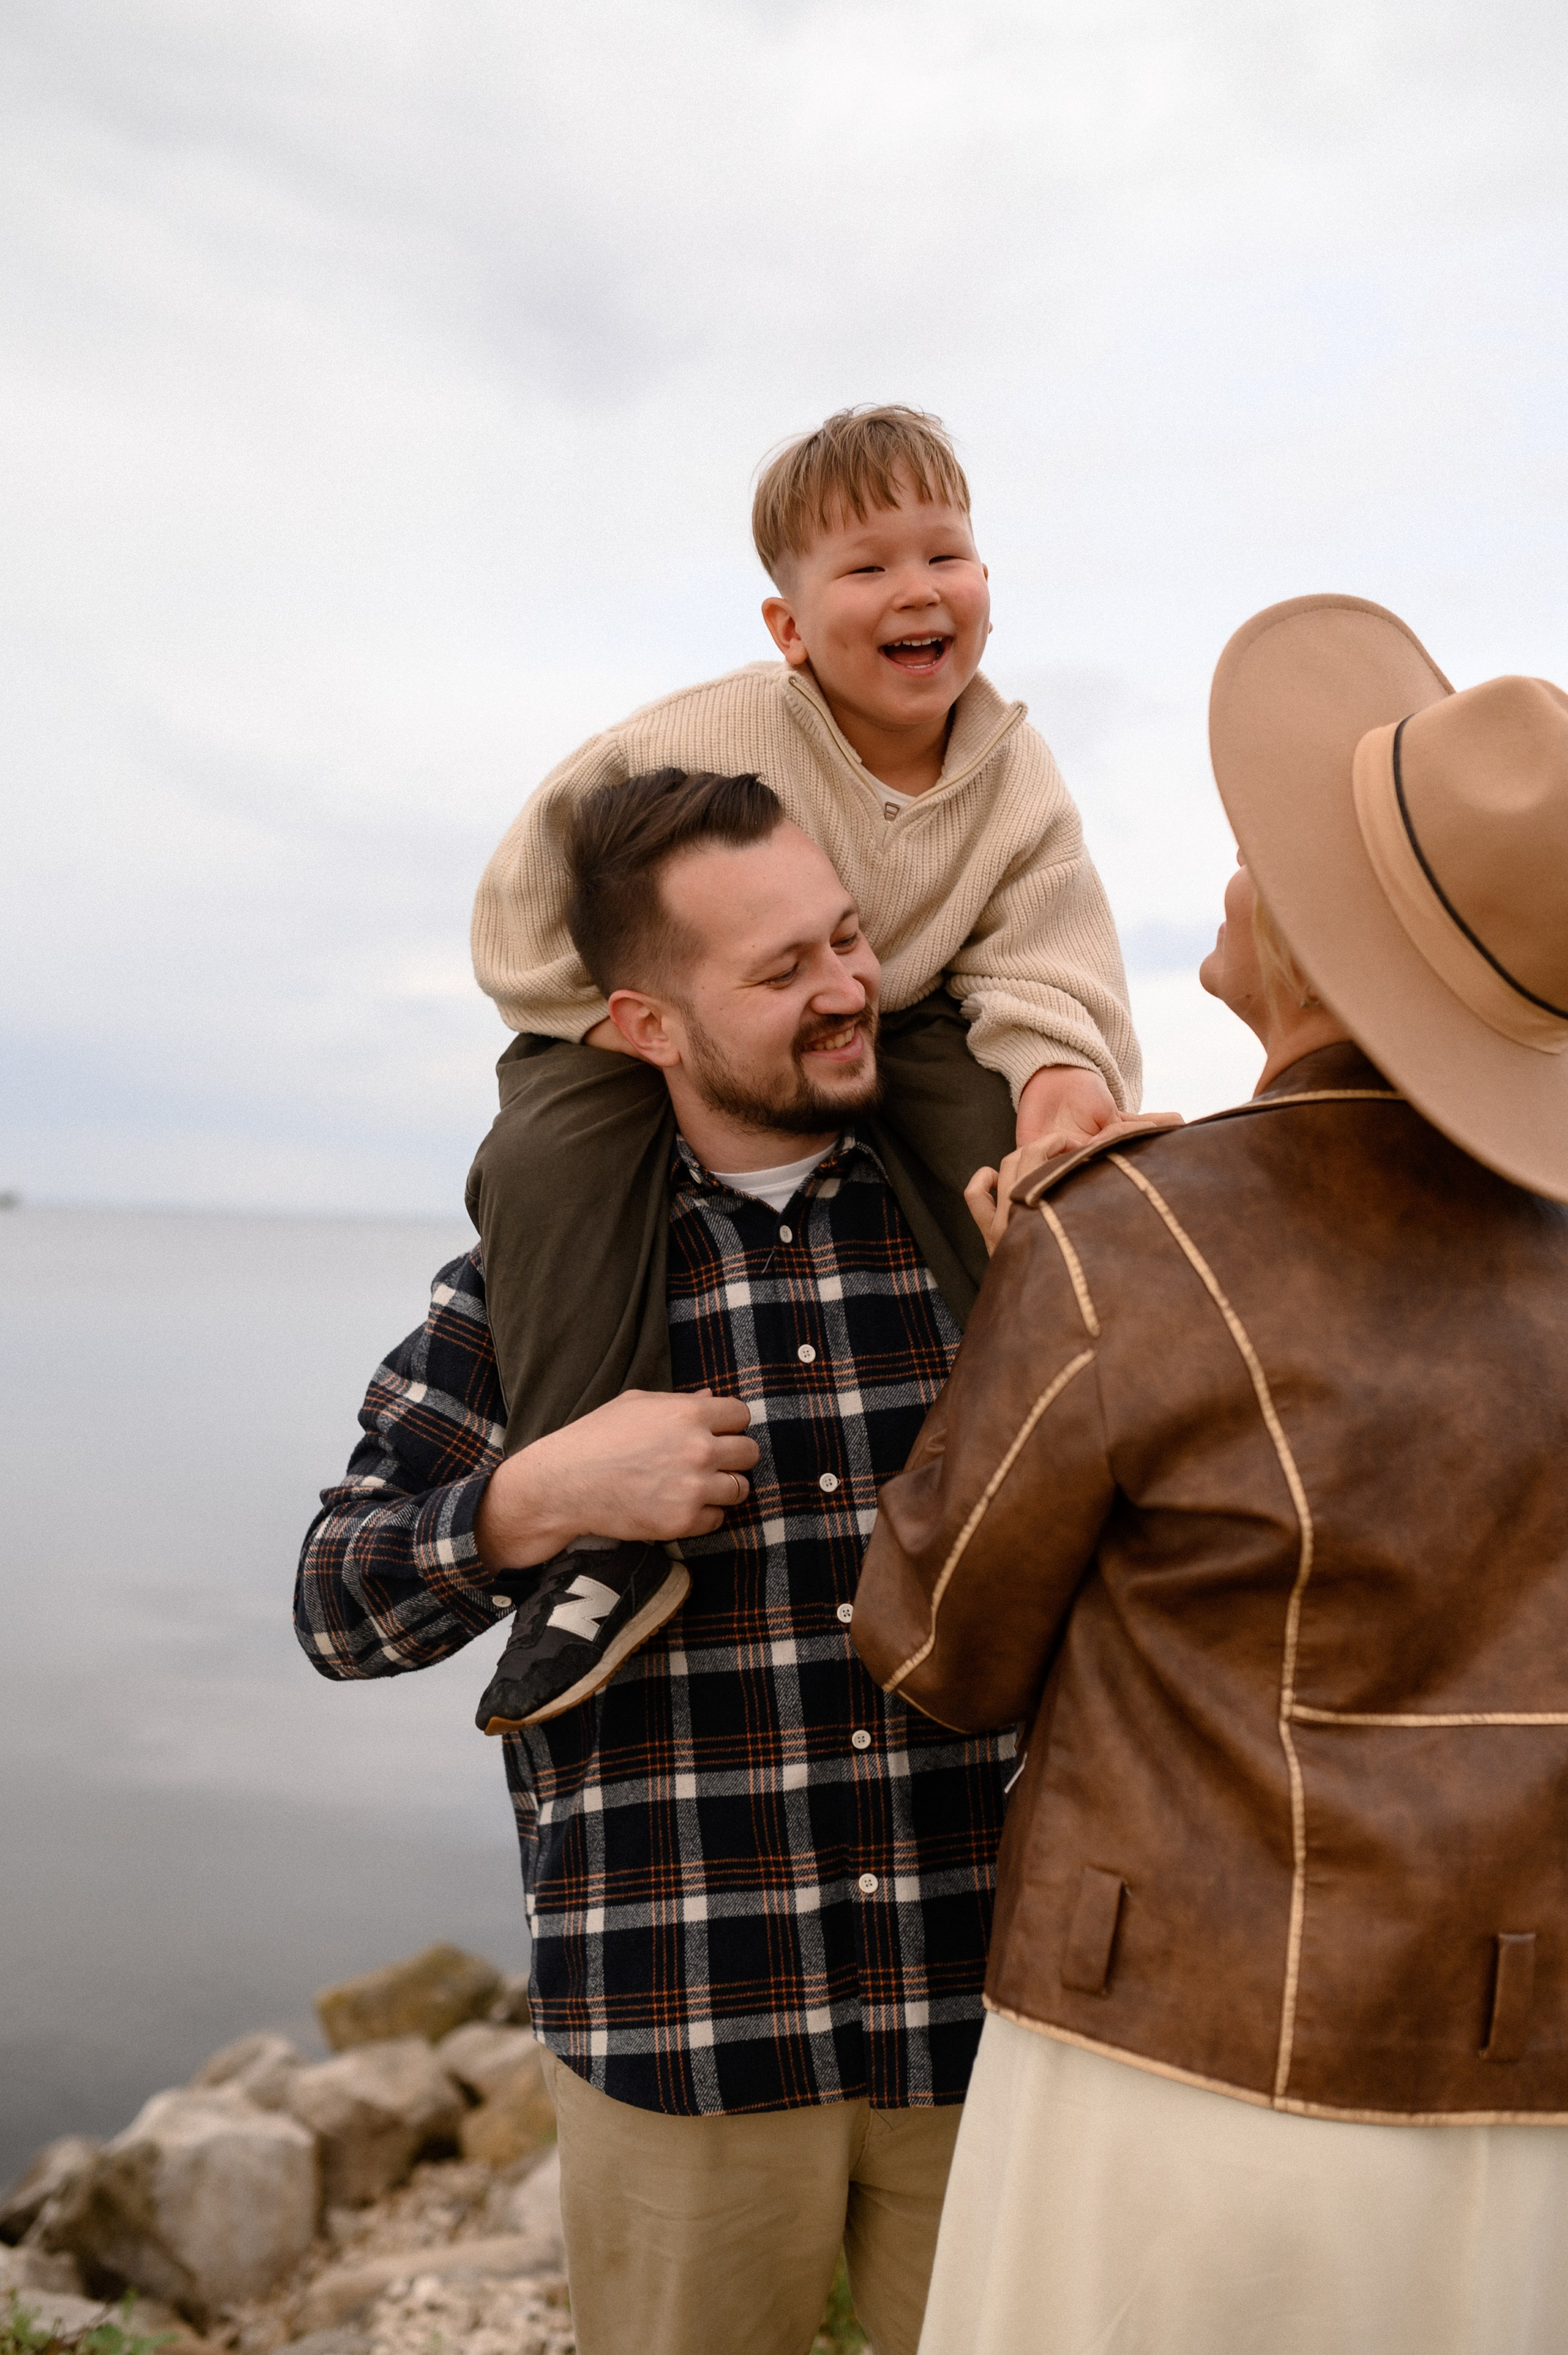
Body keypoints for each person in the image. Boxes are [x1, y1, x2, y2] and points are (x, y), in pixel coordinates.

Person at [851, 593, 1568, 2355]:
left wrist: (1034, 1290)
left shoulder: (1139, 1236)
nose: (1238, 873)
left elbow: (937, 1650)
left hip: (1165, 2071)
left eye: (1268, 855)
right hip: (1525, 2076)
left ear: (1317, 947)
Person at [296, 767, 1036, 2355]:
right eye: (781, 972)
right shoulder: (536, 1285)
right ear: (642, 1024)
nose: (846, 990)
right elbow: (338, 1602)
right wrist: (536, 1494)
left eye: (848, 940)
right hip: (680, 2029)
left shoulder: (979, 1228)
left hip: (996, 2022)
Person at [464, 403, 1145, 1725]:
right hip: (641, 1022)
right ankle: (604, 1546)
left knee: (1013, 1147)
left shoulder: (1011, 770)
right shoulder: (711, 739)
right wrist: (639, 1019)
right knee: (545, 1151)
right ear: (786, 627)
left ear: (986, 583)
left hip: (903, 1016)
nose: (916, 590)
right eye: (866, 566)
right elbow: (521, 894)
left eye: (942, 554)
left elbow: (1045, 939)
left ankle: (1041, 1467)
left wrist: (1059, 1076)